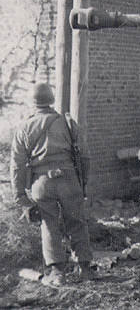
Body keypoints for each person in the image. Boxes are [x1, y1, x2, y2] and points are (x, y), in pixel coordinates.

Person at [11, 83, 93, 286]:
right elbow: (84, 156)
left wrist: (20, 197)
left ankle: (57, 273)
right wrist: (82, 183)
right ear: (52, 99)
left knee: (48, 225)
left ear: (33, 102)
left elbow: (17, 166)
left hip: (41, 183)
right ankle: (85, 269)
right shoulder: (68, 123)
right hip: (68, 179)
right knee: (77, 222)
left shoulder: (24, 127)